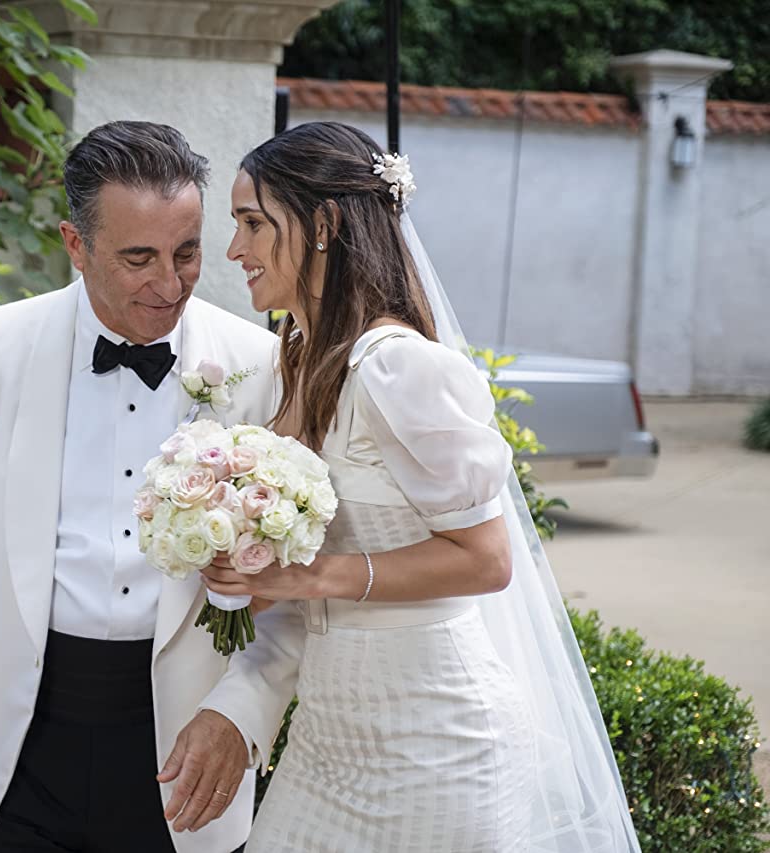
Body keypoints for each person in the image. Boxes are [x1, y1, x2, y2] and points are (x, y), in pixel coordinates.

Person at [0, 120, 281, 853]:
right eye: (139, 258)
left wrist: (243, 713)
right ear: (76, 244)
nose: (170, 284)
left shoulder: (261, 365)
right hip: (4, 759)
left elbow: (296, 584)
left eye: (187, 252)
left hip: (184, 759)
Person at [201, 121, 641, 852]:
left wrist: (308, 576)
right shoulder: (302, 361)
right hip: (328, 744)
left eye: (252, 223)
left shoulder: (400, 368)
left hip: (440, 746)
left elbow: (486, 560)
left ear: (323, 225)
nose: (234, 250)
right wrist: (245, 564)